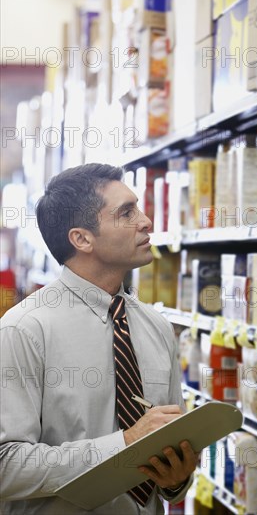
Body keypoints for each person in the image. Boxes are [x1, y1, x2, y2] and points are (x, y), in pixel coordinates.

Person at [0, 164, 198, 514]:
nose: (146, 221)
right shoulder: (24, 330)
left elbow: (170, 470)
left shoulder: (156, 327)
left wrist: (177, 478)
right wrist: (124, 444)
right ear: (82, 239)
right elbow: (6, 466)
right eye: (126, 212)